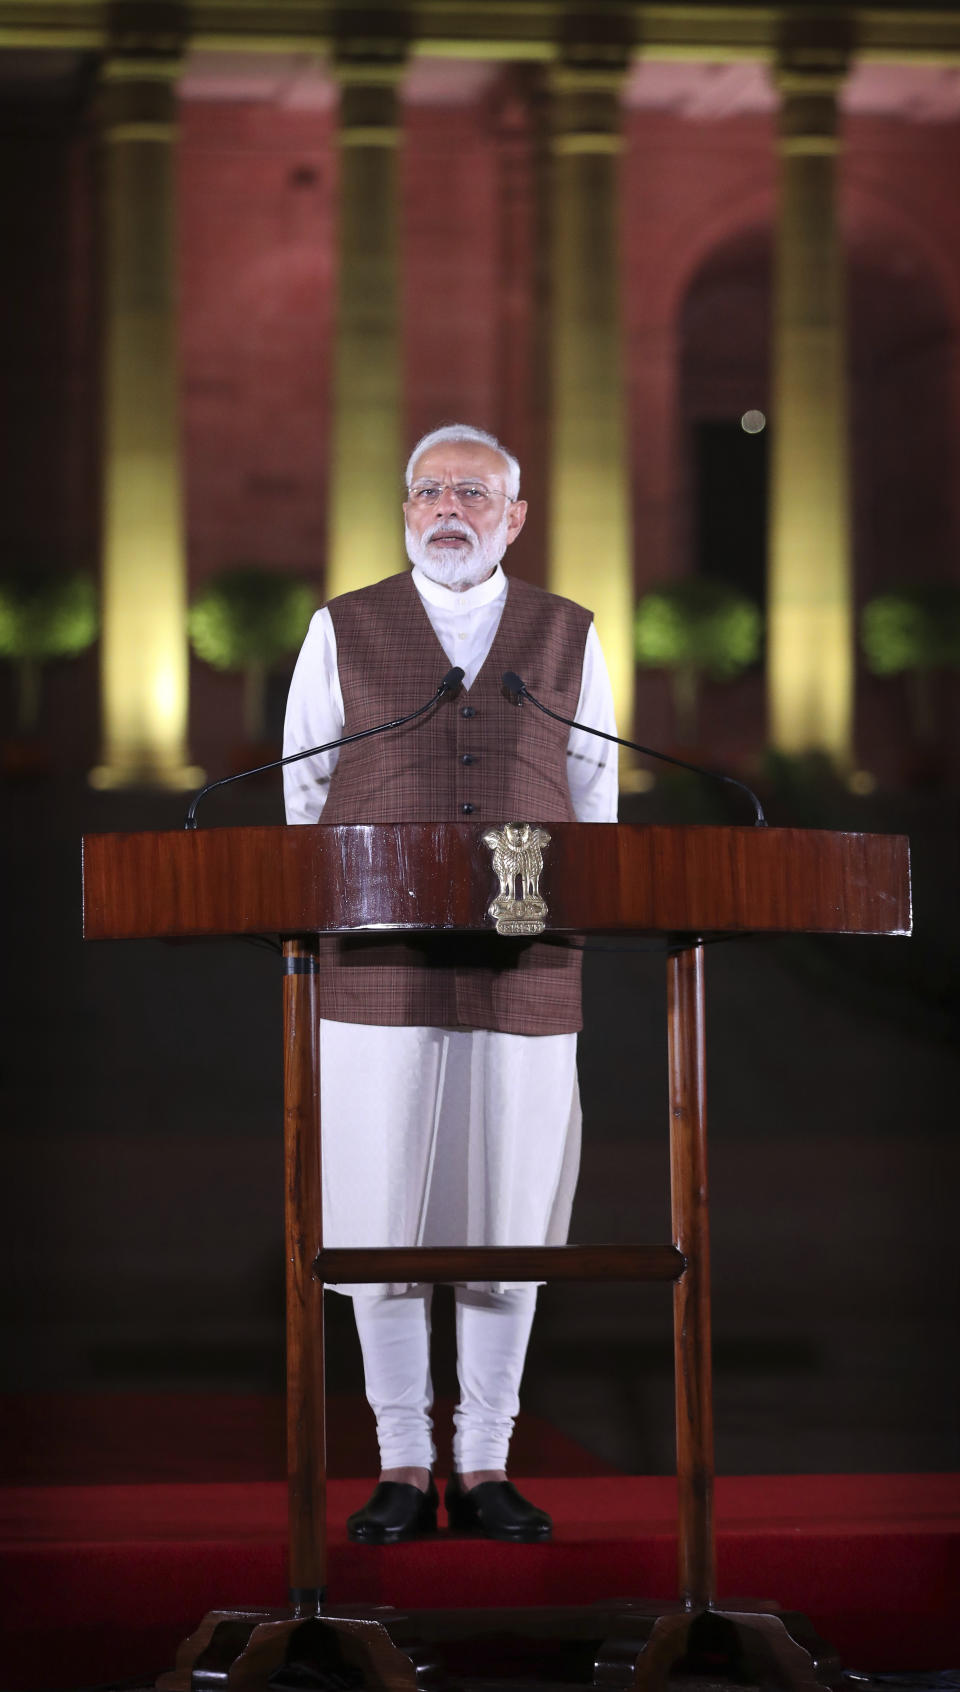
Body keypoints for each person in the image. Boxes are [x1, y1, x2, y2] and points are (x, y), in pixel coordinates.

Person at [283, 423, 617, 1545]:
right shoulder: (342, 629)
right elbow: (301, 796)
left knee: (508, 1214)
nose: (448, 506)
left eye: (473, 490)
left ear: (515, 516)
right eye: (428, 489)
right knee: (381, 1211)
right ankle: (398, 1461)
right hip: (375, 968)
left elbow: (597, 803)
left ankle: (483, 1463)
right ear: (405, 510)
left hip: (528, 969)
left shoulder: (569, 635)